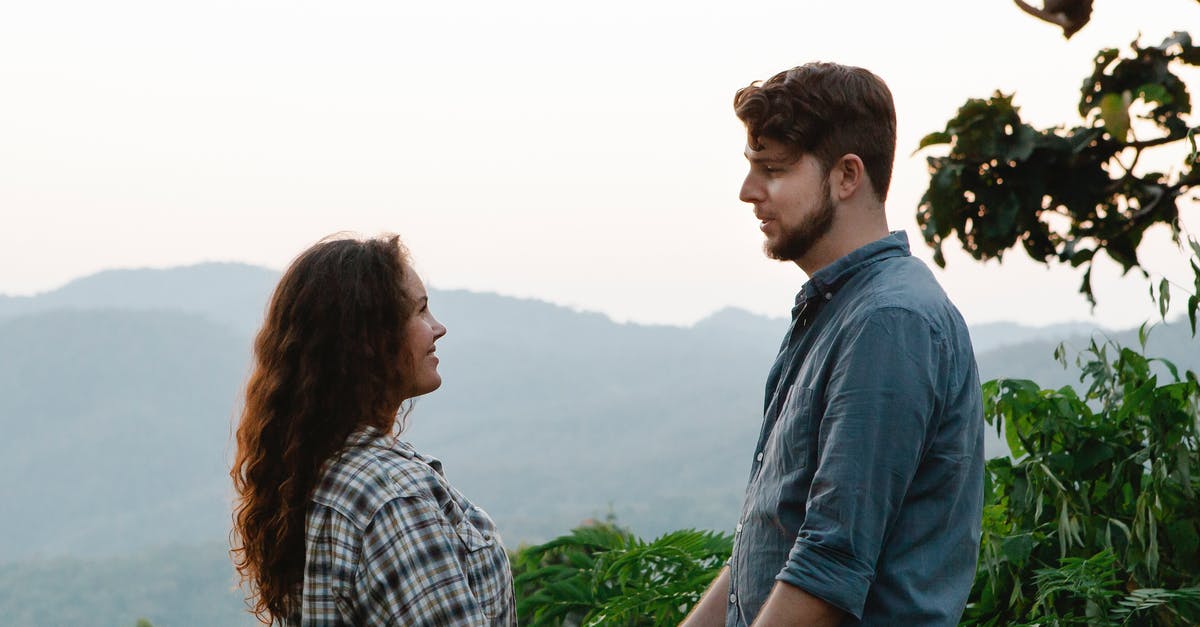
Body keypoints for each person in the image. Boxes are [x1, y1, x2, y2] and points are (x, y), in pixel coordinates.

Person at [682, 63, 984, 626]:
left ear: (847, 176)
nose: (749, 192)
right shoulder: (835, 311)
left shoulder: (889, 322)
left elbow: (827, 568)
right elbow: (770, 542)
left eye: (772, 169)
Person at [230, 234, 515, 626]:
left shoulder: (322, 472)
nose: (439, 328)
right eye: (421, 311)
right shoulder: (393, 498)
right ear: (369, 338)